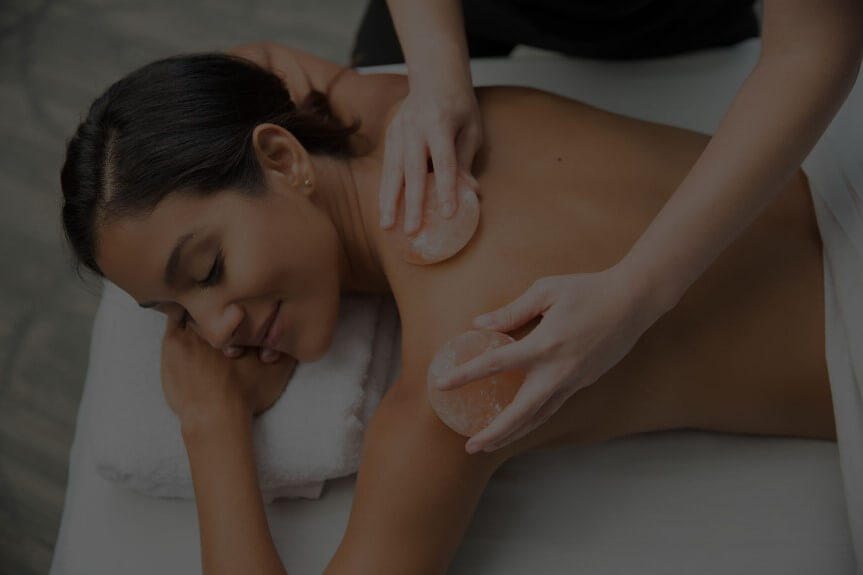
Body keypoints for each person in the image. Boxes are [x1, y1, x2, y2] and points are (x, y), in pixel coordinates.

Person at [60, 42, 841, 573]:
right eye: (177, 315)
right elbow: (243, 64)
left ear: (281, 155)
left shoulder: (463, 374)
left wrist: (212, 427)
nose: (218, 327)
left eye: (209, 267)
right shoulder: (403, 104)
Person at [357, 0, 862, 455]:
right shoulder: (346, 113)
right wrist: (435, 78)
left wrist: (639, 294)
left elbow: (809, 46)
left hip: (676, 23)